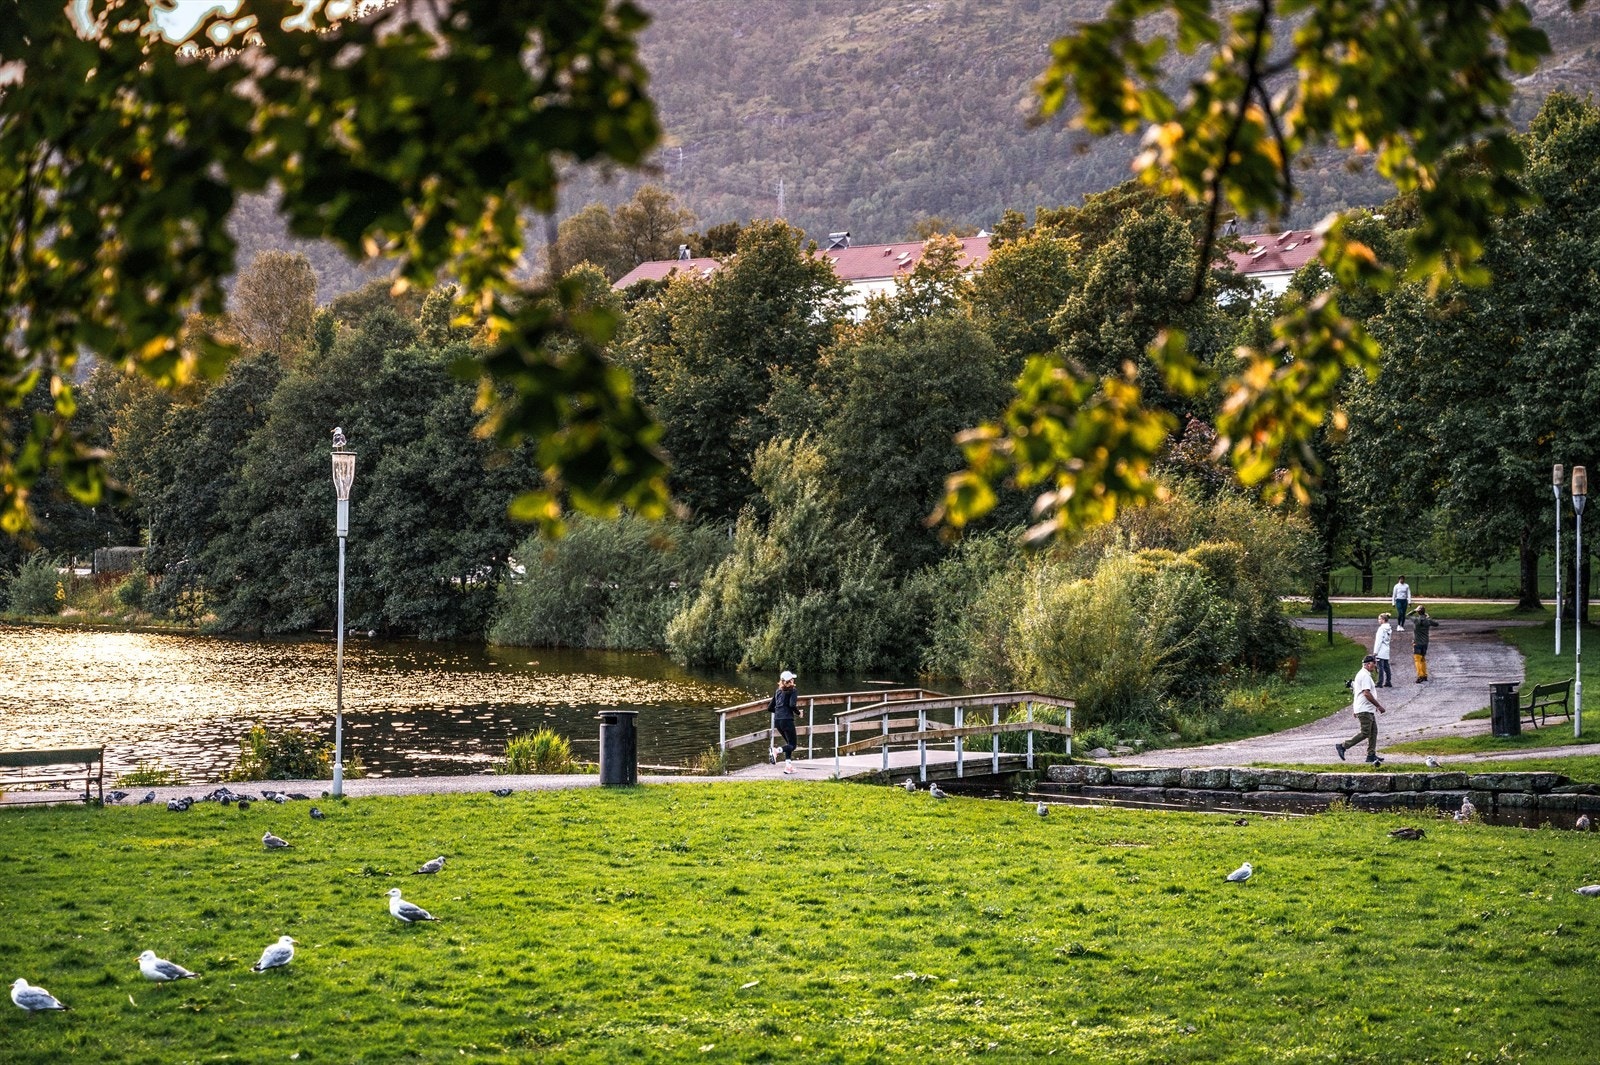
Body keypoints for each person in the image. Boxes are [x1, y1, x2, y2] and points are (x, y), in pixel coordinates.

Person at [1336, 654, 1388, 766]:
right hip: (1364, 709)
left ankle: (1371, 755)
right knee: (1365, 732)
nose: (1375, 666)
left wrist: (1355, 708)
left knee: (1373, 732)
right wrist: (1378, 706)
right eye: (1374, 663)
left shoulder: (1364, 674)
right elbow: (1366, 693)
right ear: (1368, 664)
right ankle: (1343, 746)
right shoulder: (1364, 676)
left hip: (1367, 709)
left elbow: (1356, 693)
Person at [767, 669, 800, 774]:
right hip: (787, 720)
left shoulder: (778, 691)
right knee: (793, 745)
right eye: (792, 679)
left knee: (788, 744)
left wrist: (779, 713)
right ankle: (776, 751)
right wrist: (799, 713)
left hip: (777, 720)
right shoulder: (793, 691)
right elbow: (792, 705)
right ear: (790, 681)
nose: (793, 681)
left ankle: (788, 767)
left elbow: (770, 707)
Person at [1408, 604, 1440, 682]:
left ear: (1418, 612)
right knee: (1423, 658)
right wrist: (1428, 617)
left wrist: (1414, 610)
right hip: (1425, 642)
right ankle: (1425, 674)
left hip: (1417, 642)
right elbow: (1436, 624)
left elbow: (1408, 615)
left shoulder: (1416, 620)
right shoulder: (1428, 621)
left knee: (1417, 659)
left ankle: (1420, 675)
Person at [1373, 613, 1394, 687]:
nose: (1378, 620)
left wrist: (1375, 652)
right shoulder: (1389, 628)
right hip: (1386, 649)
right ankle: (1388, 681)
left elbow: (1378, 641)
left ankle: (1379, 682)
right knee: (1386, 666)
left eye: (1379, 619)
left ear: (1383, 620)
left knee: (1380, 667)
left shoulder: (1381, 629)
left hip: (1380, 650)